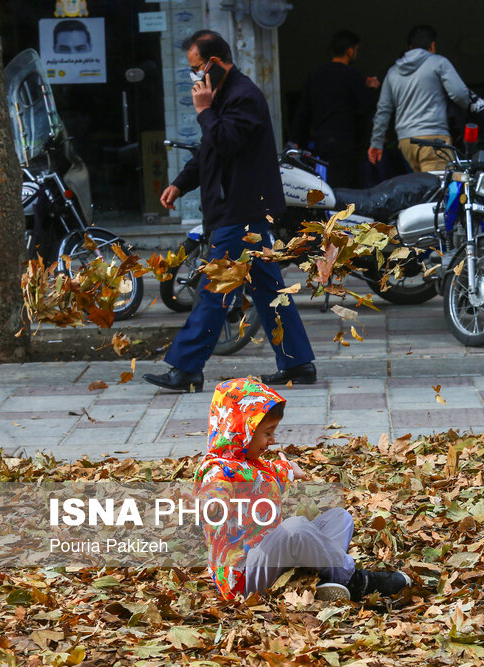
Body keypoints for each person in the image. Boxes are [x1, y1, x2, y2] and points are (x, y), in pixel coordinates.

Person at [145, 30, 316, 392]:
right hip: (238, 211)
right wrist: (180, 183)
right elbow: (210, 151)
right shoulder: (225, 97)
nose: (195, 77)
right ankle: (298, 364)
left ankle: (186, 368)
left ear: (216, 63)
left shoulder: (243, 97)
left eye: (197, 68)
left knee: (214, 290)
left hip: (240, 213)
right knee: (269, 293)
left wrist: (205, 111)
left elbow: (224, 140)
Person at [194, 378, 411, 601]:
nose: (272, 440)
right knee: (295, 530)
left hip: (271, 556)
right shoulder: (216, 472)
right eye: (267, 433)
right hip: (245, 576)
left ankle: (315, 580)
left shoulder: (248, 462)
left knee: (339, 518)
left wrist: (288, 468)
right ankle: (354, 580)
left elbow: (265, 474)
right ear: (243, 431)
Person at [368, 24, 470, 173]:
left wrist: (376, 143)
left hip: (406, 143)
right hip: (434, 139)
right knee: (438, 189)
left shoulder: (392, 72)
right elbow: (459, 94)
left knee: (421, 189)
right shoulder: (438, 62)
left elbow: (383, 110)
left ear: (410, 47)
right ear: (433, 45)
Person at [289, 30, 380, 188]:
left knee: (324, 185)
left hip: (320, 143)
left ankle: (328, 212)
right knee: (346, 187)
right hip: (345, 143)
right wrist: (372, 88)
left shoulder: (315, 75)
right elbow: (367, 105)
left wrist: (295, 140)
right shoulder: (351, 75)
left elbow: (302, 112)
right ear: (350, 51)